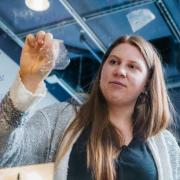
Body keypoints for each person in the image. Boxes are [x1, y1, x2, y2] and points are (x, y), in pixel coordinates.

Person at [0, 31, 179, 180]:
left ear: (147, 84)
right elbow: (6, 157)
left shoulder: (166, 144)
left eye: (132, 66)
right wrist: (28, 81)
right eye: (113, 62)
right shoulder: (60, 118)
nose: (120, 71)